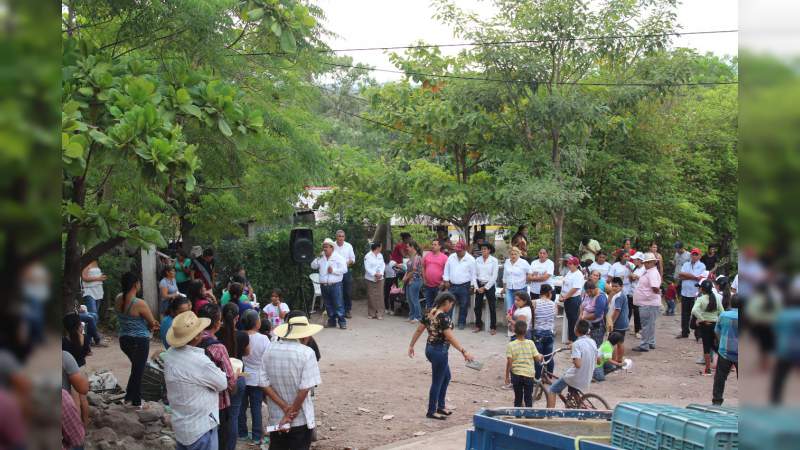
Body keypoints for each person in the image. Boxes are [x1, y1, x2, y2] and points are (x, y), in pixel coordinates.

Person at [163, 310, 229, 450]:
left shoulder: (169, 355)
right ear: (197, 336)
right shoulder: (199, 361)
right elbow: (222, 383)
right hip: (201, 427)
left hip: (181, 424)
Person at [260, 314, 323, 450]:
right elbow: (304, 389)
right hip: (300, 419)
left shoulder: (269, 349)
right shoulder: (306, 353)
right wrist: (289, 414)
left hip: (276, 417)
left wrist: (284, 407)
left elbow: (263, 383)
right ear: (305, 336)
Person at [408, 292, 475, 420]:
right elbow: (449, 337)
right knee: (437, 381)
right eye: (451, 304)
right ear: (447, 302)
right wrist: (464, 351)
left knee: (446, 377)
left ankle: (440, 406)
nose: (451, 306)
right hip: (440, 351)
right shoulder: (443, 317)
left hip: (430, 349)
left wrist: (411, 345)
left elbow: (419, 330)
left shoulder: (429, 312)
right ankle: (432, 410)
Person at [196, 303, 237, 450]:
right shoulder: (218, 348)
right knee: (220, 439)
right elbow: (230, 380)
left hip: (196, 401)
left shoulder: (191, 341)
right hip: (217, 404)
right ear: (216, 323)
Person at [115, 272, 159, 408]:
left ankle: (129, 397)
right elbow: (152, 323)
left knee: (136, 368)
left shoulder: (118, 298)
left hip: (124, 340)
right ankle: (137, 402)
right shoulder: (140, 303)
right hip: (139, 341)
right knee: (139, 371)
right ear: (135, 284)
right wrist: (154, 325)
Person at [546, 320, 598, 408]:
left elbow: (578, 364)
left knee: (553, 389)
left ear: (576, 330)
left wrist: (573, 355)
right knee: (572, 388)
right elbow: (598, 359)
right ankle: (579, 405)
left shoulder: (576, 345)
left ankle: (549, 415)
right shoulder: (592, 342)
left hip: (577, 376)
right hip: (588, 374)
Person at [218, 303, 249, 450]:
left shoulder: (216, 334)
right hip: (238, 377)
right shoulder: (243, 335)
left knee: (219, 415)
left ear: (221, 317)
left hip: (218, 377)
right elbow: (247, 353)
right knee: (234, 416)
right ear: (238, 318)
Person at [238, 310, 270, 446]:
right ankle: (257, 436)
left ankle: (242, 433)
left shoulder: (238, 336)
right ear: (257, 323)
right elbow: (268, 359)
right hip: (257, 378)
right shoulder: (263, 339)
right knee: (256, 407)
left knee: (241, 406)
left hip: (242, 376)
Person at [311, 238, 347, 329]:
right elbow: (313, 266)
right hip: (324, 285)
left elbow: (344, 269)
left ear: (332, 248)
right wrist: (318, 257)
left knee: (338, 304)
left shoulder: (338, 257)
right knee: (328, 304)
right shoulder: (321, 258)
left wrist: (333, 271)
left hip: (335, 285)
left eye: (326, 247)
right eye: (323, 247)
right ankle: (332, 322)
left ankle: (342, 322)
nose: (324, 249)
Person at [505, 320, 544, 407]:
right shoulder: (530, 343)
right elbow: (537, 358)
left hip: (516, 375)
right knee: (528, 398)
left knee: (518, 398)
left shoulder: (510, 345)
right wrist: (541, 356)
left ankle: (518, 418)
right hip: (529, 375)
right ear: (526, 331)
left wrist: (507, 376)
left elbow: (509, 362)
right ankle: (528, 417)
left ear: (514, 331)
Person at [442, 241, 477, 330]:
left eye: (459, 251)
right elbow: (446, 269)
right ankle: (447, 322)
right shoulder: (451, 257)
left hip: (465, 285)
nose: (457, 252)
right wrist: (446, 280)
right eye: (456, 250)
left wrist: (472, 286)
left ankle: (461, 323)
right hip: (452, 285)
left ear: (464, 249)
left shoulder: (471, 259)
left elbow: (474, 274)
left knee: (463, 305)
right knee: (449, 304)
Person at [632, 253, 663, 352]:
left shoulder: (652, 272)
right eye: (645, 262)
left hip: (648, 303)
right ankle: (650, 342)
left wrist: (656, 294)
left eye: (649, 262)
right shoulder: (649, 271)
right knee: (650, 324)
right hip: (648, 302)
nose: (646, 264)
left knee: (646, 325)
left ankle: (644, 344)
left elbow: (655, 287)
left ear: (654, 262)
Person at [692, 280, 723, 374]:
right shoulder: (717, 298)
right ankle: (724, 367)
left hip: (705, 326)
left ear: (702, 289)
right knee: (717, 346)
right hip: (715, 324)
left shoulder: (700, 299)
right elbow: (722, 312)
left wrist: (702, 319)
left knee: (706, 347)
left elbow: (694, 311)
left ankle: (708, 369)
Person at [713, 295, 739, 405]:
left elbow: (717, 331)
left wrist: (721, 343)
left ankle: (717, 401)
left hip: (725, 351)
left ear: (731, 303)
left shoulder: (723, 315)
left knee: (720, 377)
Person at [677, 248, 706, 339]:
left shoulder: (702, 266)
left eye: (696, 254)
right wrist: (693, 277)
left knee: (696, 313)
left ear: (699, 256)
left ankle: (698, 334)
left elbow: (699, 278)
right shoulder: (686, 264)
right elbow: (680, 276)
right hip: (685, 292)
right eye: (693, 254)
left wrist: (687, 275)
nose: (694, 256)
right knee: (684, 314)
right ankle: (684, 332)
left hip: (695, 293)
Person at [473, 242, 499, 334]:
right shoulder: (477, 260)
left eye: (485, 249)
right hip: (479, 284)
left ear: (489, 250)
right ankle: (478, 325)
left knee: (492, 306)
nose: (483, 250)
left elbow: (494, 276)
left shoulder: (494, 260)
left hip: (489, 285)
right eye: (482, 249)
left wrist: (485, 288)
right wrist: (476, 287)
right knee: (477, 307)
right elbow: (474, 274)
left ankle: (493, 327)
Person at [532, 284, 557, 379]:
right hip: (549, 332)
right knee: (549, 356)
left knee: (538, 357)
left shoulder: (534, 302)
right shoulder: (553, 304)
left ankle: (537, 378)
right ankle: (549, 376)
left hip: (538, 333)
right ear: (549, 293)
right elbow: (554, 316)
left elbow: (532, 317)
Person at [561, 256, 585, 343]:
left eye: (570, 264)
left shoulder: (578, 274)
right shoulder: (569, 272)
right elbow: (564, 285)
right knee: (570, 319)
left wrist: (565, 297)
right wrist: (561, 295)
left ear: (576, 265)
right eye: (568, 263)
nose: (568, 265)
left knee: (573, 320)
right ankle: (570, 338)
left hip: (573, 299)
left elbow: (575, 288)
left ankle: (573, 339)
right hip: (567, 298)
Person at [333, 230, 356, 319]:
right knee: (336, 292)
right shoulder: (333, 246)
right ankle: (337, 311)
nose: (341, 238)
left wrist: (346, 263)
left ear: (344, 237)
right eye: (339, 236)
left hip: (346, 271)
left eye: (342, 236)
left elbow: (353, 259)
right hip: (335, 272)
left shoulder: (348, 246)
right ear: (336, 237)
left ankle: (347, 310)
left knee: (347, 291)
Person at [579, 280, 608, 347]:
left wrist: (584, 317)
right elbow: (582, 305)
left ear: (595, 289)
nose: (589, 294)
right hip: (587, 323)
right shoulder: (586, 294)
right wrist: (581, 314)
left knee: (595, 345)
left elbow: (597, 314)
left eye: (590, 292)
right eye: (587, 292)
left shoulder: (601, 297)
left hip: (597, 326)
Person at [502, 247, 531, 313]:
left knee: (520, 310)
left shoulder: (523, 262)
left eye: (515, 254)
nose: (513, 256)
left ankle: (520, 323)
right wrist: (504, 288)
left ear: (519, 254)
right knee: (510, 309)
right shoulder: (507, 262)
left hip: (521, 289)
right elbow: (505, 276)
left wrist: (528, 279)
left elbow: (530, 272)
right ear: (509, 255)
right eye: (511, 254)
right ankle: (511, 323)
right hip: (509, 289)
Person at [422, 239, 448, 309]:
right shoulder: (427, 255)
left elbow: (447, 271)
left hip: (439, 286)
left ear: (440, 246)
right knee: (429, 305)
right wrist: (424, 279)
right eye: (432, 244)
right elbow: (423, 267)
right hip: (428, 286)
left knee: (438, 305)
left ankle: (437, 319)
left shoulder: (444, 257)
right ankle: (430, 319)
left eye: (435, 245)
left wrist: (443, 282)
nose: (433, 246)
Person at [607, 277, 629, 362]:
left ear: (621, 286)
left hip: (619, 324)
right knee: (619, 342)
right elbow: (608, 303)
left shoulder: (619, 297)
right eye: (613, 286)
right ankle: (617, 360)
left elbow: (617, 311)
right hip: (621, 323)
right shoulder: (616, 294)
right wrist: (610, 295)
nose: (614, 288)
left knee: (616, 343)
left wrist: (611, 323)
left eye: (616, 286)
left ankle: (616, 360)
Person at [403, 241, 424, 323]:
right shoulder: (411, 257)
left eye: (408, 246)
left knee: (414, 298)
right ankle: (411, 315)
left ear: (413, 247)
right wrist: (406, 277)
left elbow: (414, 270)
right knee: (409, 299)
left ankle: (418, 316)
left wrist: (407, 277)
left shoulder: (417, 257)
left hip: (415, 280)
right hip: (409, 280)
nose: (407, 248)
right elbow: (408, 270)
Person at [364, 242, 386, 320]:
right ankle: (371, 313)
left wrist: (380, 273)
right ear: (377, 247)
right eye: (381, 247)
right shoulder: (368, 256)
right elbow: (367, 267)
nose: (381, 248)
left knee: (380, 295)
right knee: (371, 295)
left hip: (380, 278)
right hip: (370, 278)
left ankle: (380, 313)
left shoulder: (380, 255)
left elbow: (383, 265)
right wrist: (374, 274)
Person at [627, 252, 645, 338]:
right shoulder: (636, 268)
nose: (633, 260)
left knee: (638, 312)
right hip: (632, 292)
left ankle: (638, 330)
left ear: (640, 260)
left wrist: (636, 276)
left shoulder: (644, 269)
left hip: (639, 293)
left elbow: (645, 280)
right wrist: (632, 276)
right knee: (631, 311)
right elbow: (632, 279)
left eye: (635, 259)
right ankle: (635, 329)